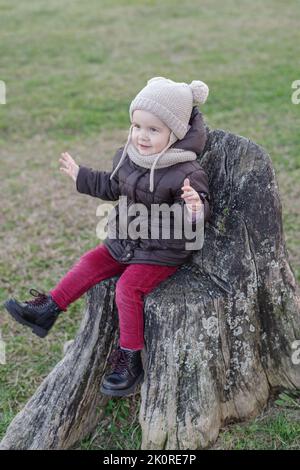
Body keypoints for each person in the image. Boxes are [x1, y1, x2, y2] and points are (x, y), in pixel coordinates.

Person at [4, 77, 211, 397]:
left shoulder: (186, 171)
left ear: (175, 133)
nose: (141, 135)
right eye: (137, 126)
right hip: (125, 239)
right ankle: (48, 309)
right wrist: (81, 175)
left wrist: (195, 208)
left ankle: (129, 358)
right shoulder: (129, 156)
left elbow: (195, 214)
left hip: (163, 251)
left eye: (153, 130)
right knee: (91, 260)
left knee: (127, 287)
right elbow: (111, 186)